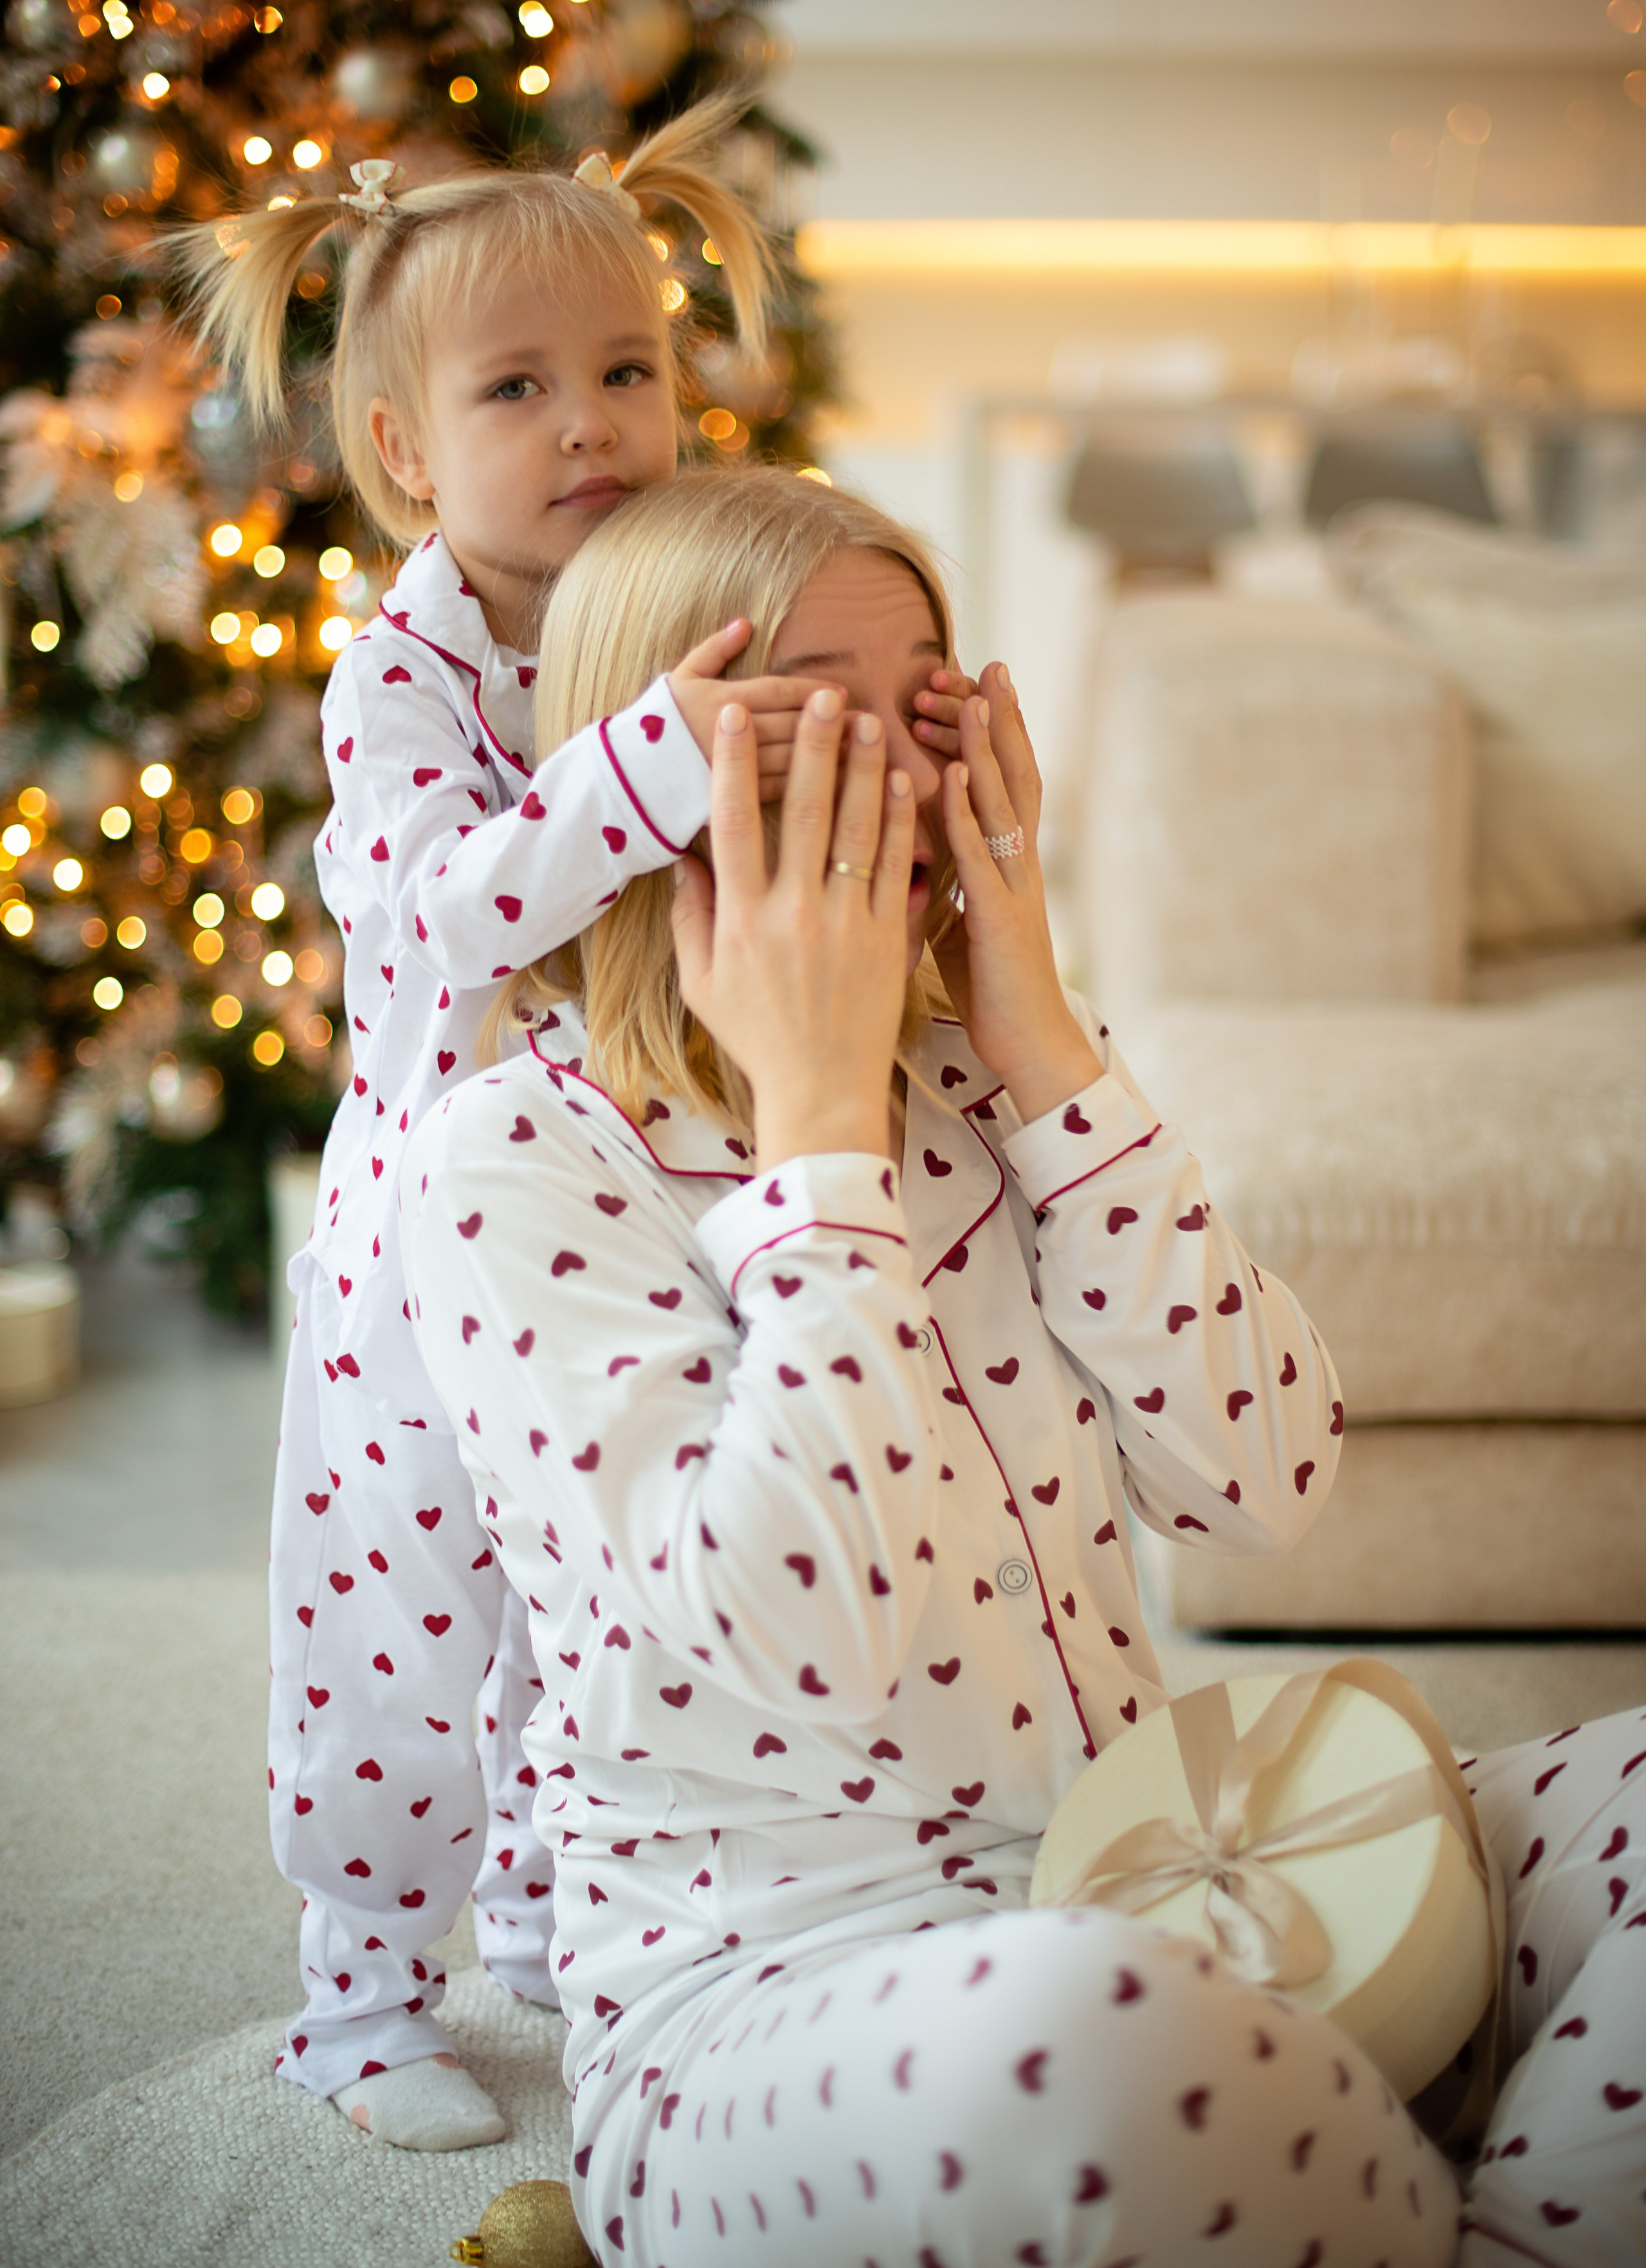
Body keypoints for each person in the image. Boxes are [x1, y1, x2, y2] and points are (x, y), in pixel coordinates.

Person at [401, 467, 1646, 2264]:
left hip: (1168, 1873)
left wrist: (1050, 1050)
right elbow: (815, 1634)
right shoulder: (514, 1162)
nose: (898, 785)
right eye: (808, 726)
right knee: (1108, 2043)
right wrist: (818, 1130)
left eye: (925, 716)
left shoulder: (987, 1082)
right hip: (773, 2007)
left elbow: (1267, 1483)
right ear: (649, 768)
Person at [174, 107, 977, 2152]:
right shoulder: (397, 680)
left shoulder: (678, 599)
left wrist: (896, 735)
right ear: (404, 451)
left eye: (625, 368)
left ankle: (547, 1906)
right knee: (400, 1616)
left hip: (627, 1205)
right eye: (517, 388)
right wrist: (641, 763)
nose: (590, 420)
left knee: (594, 1586)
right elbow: (447, 912)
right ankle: (361, 1988)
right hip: (426, 1240)